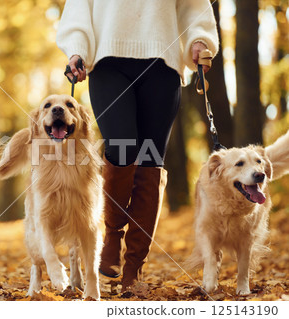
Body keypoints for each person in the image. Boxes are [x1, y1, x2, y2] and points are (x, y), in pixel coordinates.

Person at [56, 0, 219, 291]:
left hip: (162, 63)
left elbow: (195, 6)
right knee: (121, 149)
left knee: (151, 160)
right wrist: (77, 50)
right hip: (107, 63)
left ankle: (134, 266)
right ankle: (113, 232)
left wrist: (199, 39)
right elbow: (80, 8)